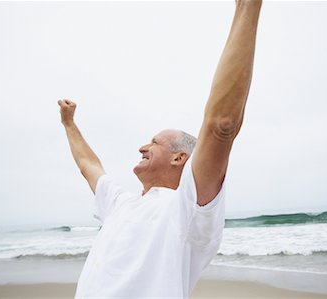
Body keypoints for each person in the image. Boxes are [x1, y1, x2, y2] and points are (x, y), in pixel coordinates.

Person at [58, 1, 262, 298]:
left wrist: (247, 7)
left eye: (154, 142)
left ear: (180, 157)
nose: (142, 146)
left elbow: (222, 124)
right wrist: (69, 124)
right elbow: (88, 164)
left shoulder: (187, 208)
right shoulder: (119, 204)